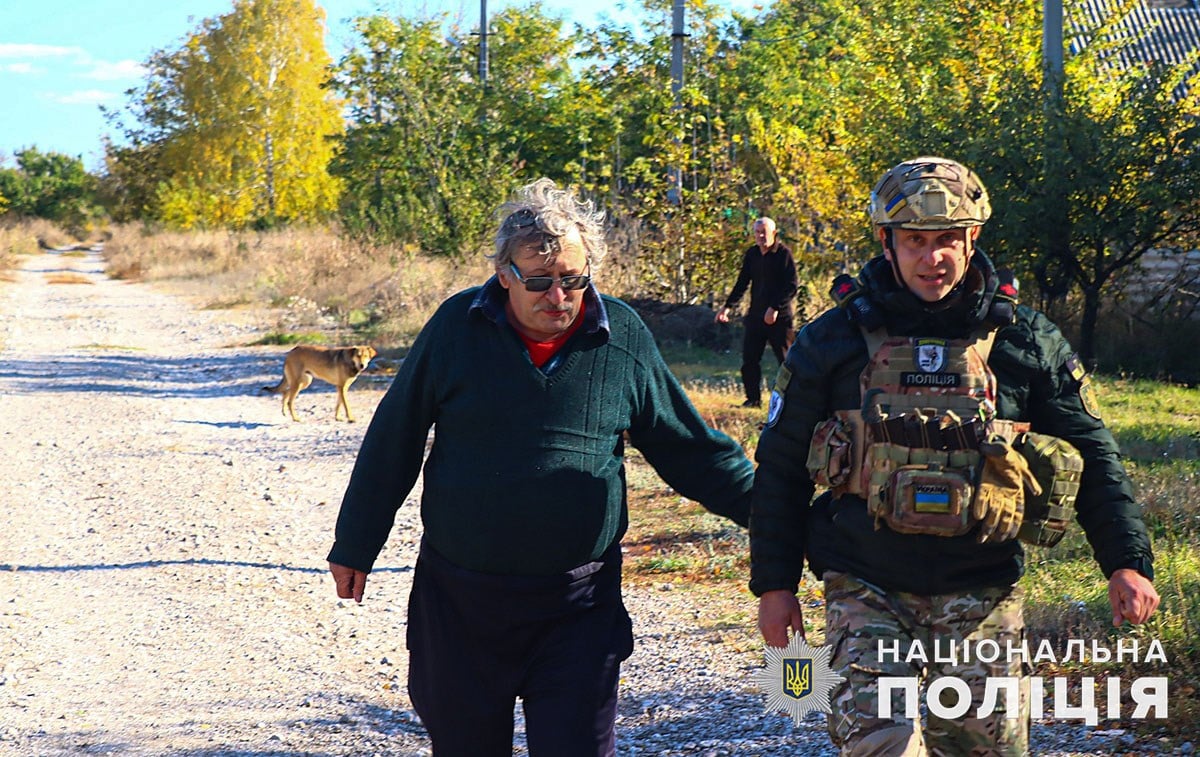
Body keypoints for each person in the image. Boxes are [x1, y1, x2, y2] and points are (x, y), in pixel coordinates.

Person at [327, 178, 754, 756]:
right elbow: (394, 437)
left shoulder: (620, 335)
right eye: (540, 280)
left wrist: (782, 515)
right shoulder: (457, 327)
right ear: (504, 274)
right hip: (459, 604)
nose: (559, 296)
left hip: (579, 606)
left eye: (574, 280)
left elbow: (691, 450)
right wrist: (356, 542)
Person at [750, 156, 1159, 755]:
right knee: (878, 745)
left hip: (982, 588)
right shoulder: (831, 339)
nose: (931, 258)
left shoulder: (1024, 339)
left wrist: (1126, 560)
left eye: (946, 240)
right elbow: (782, 466)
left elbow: (1093, 452)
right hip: (864, 582)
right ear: (886, 244)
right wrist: (774, 585)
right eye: (914, 241)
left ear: (973, 238)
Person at [715, 217, 799, 407]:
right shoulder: (752, 254)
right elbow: (742, 282)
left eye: (765, 232)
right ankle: (753, 399)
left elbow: (792, 286)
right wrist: (727, 306)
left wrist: (775, 307)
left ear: (774, 233)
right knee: (749, 360)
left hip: (780, 318)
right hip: (756, 316)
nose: (761, 236)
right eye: (757, 232)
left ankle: (794, 401)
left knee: (787, 362)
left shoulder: (783, 254)